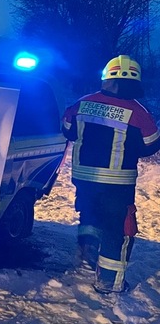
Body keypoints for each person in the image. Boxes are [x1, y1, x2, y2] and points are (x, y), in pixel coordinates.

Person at [62, 55, 160, 294]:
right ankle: (109, 282)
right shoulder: (139, 112)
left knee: (90, 217)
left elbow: (68, 131)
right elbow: (150, 146)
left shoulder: (81, 103)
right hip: (117, 184)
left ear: (106, 78)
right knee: (117, 230)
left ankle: (86, 260)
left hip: (84, 179)